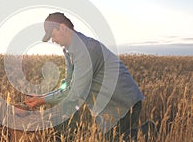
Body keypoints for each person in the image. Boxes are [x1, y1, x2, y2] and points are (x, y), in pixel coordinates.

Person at [25, 12, 146, 141]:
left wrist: (43, 100)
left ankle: (149, 131)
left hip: (123, 104)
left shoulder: (86, 50)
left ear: (63, 28)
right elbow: (68, 83)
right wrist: (43, 97)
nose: (53, 41)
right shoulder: (69, 50)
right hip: (110, 107)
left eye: (53, 35)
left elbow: (75, 91)